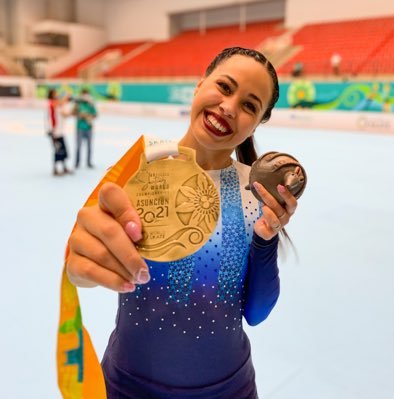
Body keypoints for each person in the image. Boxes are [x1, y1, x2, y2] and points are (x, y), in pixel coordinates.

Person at [66, 47, 298, 399]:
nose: (229, 107)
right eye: (224, 86)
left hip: (229, 391)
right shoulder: (138, 168)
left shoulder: (256, 194)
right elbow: (84, 261)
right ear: (199, 84)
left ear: (259, 122)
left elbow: (256, 313)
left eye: (250, 105)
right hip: (127, 388)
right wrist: (78, 270)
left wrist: (265, 240)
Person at [47, 88, 73, 176]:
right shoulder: (51, 103)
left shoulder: (57, 105)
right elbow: (60, 103)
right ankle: (55, 169)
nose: (57, 95)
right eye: (55, 93)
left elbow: (64, 113)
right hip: (54, 132)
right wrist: (66, 96)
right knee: (57, 151)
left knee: (64, 151)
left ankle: (64, 167)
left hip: (60, 132)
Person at [73, 88, 97, 168]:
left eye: (87, 95)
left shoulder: (91, 104)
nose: (86, 97)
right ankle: (77, 163)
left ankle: (89, 162)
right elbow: (73, 113)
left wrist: (89, 117)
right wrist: (80, 115)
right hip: (80, 127)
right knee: (79, 146)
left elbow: (95, 114)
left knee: (89, 146)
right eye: (84, 95)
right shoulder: (78, 104)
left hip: (89, 127)